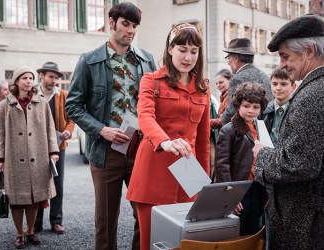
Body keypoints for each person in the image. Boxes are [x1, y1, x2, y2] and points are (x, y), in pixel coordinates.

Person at [65, 2, 156, 249]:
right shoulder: (89, 61)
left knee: (146, 217)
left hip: (140, 150)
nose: (131, 30)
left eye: (135, 26)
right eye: (126, 24)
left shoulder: (147, 60)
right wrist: (101, 130)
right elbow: (72, 106)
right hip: (106, 154)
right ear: (111, 22)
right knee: (106, 222)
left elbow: (156, 102)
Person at [126, 23, 211, 250]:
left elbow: (202, 142)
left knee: (186, 241)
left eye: (194, 51)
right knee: (151, 241)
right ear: (170, 49)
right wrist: (165, 141)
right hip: (153, 170)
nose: (188, 56)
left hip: (189, 175)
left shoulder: (203, 88)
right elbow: (145, 116)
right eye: (182, 49)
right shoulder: (151, 80)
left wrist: (204, 183)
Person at [253, 14, 324, 249]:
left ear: (310, 51)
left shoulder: (312, 94)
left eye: (286, 56)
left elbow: (299, 163)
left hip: (305, 223)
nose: (282, 64)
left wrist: (262, 155)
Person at [0, 66, 59, 249]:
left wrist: (53, 151)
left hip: (38, 158)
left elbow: (50, 129)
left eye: (31, 78)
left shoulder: (42, 102)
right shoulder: (5, 105)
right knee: (16, 199)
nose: (29, 81)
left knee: (33, 200)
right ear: (17, 81)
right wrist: (0, 158)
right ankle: (19, 233)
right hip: (14, 158)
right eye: (24, 78)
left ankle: (30, 231)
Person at [215, 82, 268, 236]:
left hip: (257, 187)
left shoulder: (260, 127)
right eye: (247, 106)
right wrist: (230, 195)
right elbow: (221, 165)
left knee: (253, 230)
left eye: (256, 107)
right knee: (236, 231)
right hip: (238, 189)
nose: (251, 111)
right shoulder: (228, 130)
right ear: (238, 106)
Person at [34, 62, 75, 234]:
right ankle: (35, 223)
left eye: (57, 78)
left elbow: (72, 119)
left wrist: (68, 131)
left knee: (58, 184)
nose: (54, 81)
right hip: (35, 147)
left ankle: (56, 220)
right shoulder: (32, 94)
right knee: (38, 184)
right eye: (51, 77)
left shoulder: (63, 95)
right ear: (42, 76)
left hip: (58, 146)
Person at [221, 38, 272, 125]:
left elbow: (231, 111)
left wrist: (223, 125)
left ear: (236, 58)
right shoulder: (264, 75)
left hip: (244, 132)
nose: (228, 62)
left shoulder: (237, 79)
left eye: (228, 57)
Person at [261, 67, 296, 146]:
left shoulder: (297, 111)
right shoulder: (263, 109)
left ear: (293, 87)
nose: (278, 88)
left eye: (283, 84)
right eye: (274, 84)